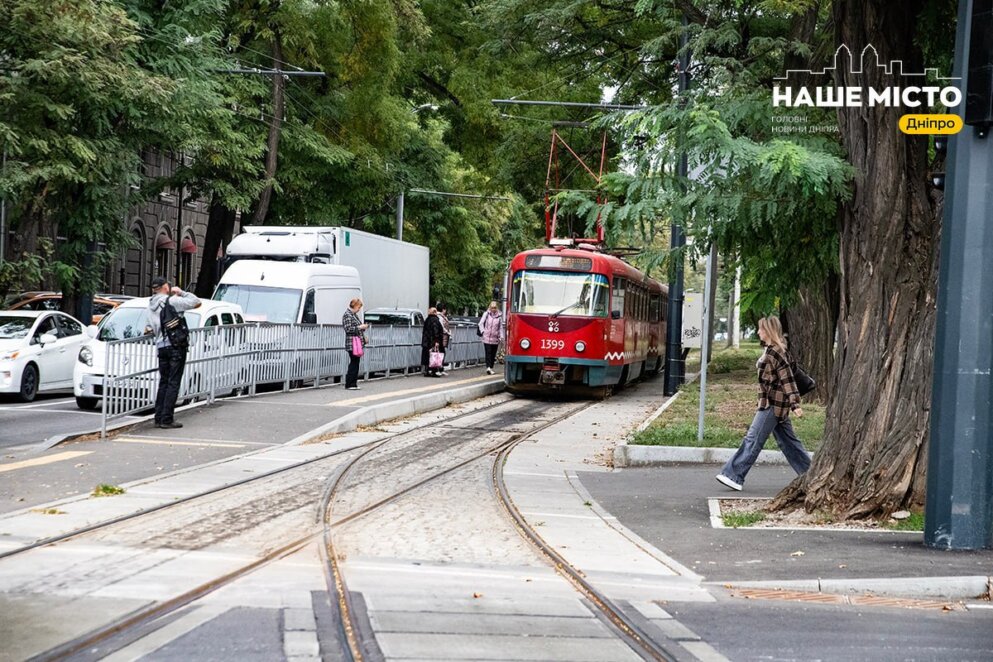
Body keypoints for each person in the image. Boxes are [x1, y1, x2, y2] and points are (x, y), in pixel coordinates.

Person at [716, 315, 811, 491]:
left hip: (772, 404)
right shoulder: (770, 350)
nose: (758, 331)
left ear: (768, 331)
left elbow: (788, 380)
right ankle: (811, 474)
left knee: (753, 439)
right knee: (789, 443)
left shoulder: (776, 352)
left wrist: (795, 404)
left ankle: (734, 475)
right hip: (771, 402)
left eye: (761, 328)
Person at [148, 277, 201, 429]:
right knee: (173, 382)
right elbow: (196, 302)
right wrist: (181, 292)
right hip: (175, 346)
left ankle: (158, 417)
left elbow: (150, 327)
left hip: (161, 346)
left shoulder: (150, 305)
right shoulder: (172, 301)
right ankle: (167, 419)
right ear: (165, 287)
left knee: (164, 382)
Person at [342, 298, 368, 390]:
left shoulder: (354, 315)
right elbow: (348, 329)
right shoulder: (347, 315)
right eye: (359, 307)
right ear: (355, 306)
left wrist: (363, 330)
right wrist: (360, 327)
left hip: (356, 342)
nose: (359, 309)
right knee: (354, 363)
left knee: (355, 363)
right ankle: (350, 384)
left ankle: (353, 383)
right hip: (352, 343)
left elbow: (356, 327)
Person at [478, 301, 502, 375]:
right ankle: (488, 367)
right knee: (488, 352)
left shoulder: (499, 316)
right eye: (492, 308)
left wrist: (501, 336)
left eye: (494, 308)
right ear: (490, 307)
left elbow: (500, 327)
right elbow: (480, 323)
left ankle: (491, 367)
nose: (493, 309)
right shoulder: (486, 314)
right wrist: (483, 332)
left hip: (495, 338)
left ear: (497, 308)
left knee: (493, 354)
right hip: (487, 337)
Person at [421, 307, 445, 377]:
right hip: (432, 341)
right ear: (435, 312)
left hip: (426, 341)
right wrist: (437, 341)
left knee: (427, 356)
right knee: (434, 355)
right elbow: (436, 331)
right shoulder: (435, 320)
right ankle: (434, 371)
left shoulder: (427, 320)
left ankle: (427, 371)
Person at [436, 301, 451, 376]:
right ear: (443, 309)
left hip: (443, 337)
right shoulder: (439, 316)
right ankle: (439, 368)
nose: (445, 310)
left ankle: (440, 368)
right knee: (441, 353)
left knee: (441, 352)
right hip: (441, 337)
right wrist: (447, 332)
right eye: (445, 309)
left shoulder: (442, 316)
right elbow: (441, 327)